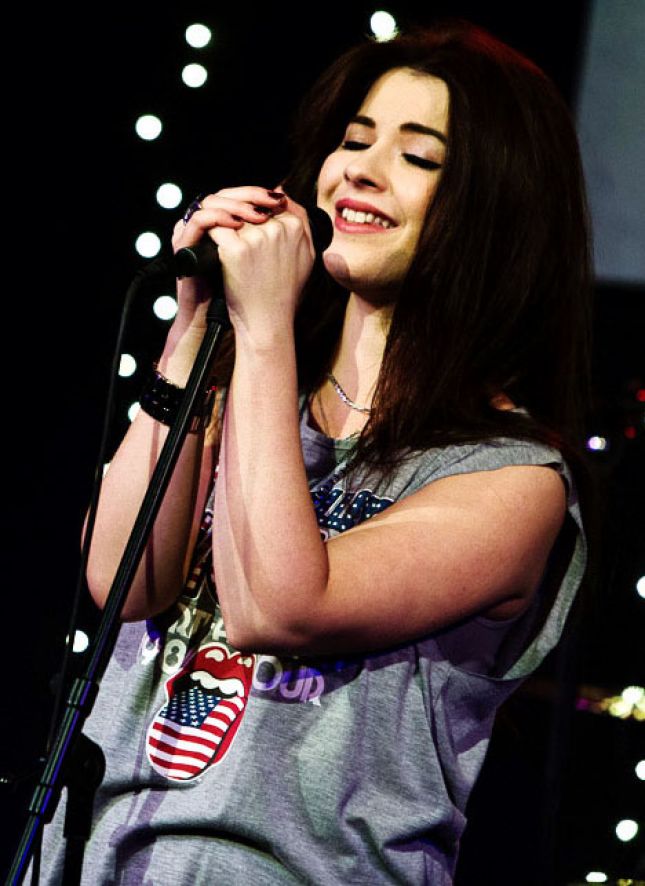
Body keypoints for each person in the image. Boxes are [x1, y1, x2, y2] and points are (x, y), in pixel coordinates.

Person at [39, 18, 592, 885]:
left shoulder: (509, 478)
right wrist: (194, 328)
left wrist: (265, 329)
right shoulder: (250, 399)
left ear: (496, 210)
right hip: (94, 861)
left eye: (417, 156)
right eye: (354, 141)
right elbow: (121, 578)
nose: (358, 171)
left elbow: (282, 610)